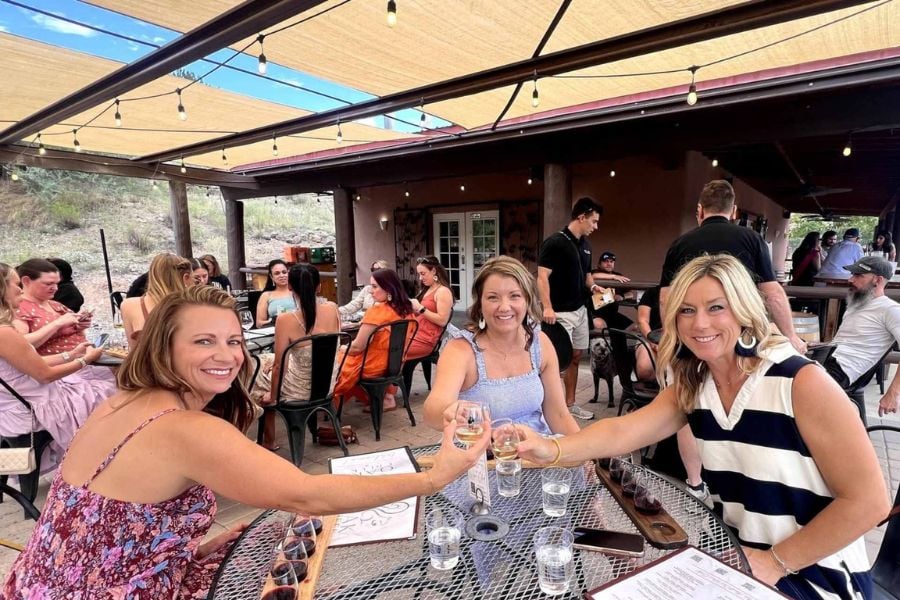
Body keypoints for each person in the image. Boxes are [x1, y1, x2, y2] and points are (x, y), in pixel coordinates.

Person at [2, 285, 489, 599]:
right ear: (162, 346)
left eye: (233, 341)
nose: (227, 355)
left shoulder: (120, 400)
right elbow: (308, 494)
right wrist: (435, 476)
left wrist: (192, 548)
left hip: (39, 584)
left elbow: (108, 527)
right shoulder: (184, 428)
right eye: (203, 341)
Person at [517, 254, 887, 599]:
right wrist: (552, 449)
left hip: (814, 575)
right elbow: (622, 431)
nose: (700, 324)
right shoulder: (696, 384)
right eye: (687, 310)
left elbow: (870, 501)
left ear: (743, 309)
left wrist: (774, 562)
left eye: (716, 308)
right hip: (740, 564)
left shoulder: (799, 382)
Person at [424, 256, 579, 436]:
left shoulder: (540, 342)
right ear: (480, 304)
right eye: (492, 297)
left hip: (538, 452)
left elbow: (559, 415)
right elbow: (431, 412)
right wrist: (450, 411)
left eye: (515, 296)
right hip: (482, 456)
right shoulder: (461, 349)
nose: (504, 307)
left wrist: (584, 452)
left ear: (527, 301)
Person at [660, 180, 806, 354]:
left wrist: (670, 338)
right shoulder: (752, 239)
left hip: (696, 335)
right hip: (741, 334)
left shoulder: (680, 244)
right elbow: (772, 294)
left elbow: (666, 298)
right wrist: (791, 336)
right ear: (734, 210)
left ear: (699, 210)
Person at [0, 263, 116, 466]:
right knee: (110, 394)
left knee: (104, 384)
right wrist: (85, 360)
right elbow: (44, 375)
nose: (19, 289)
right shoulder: (5, 332)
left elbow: (27, 362)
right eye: (16, 284)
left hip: (21, 399)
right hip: (29, 406)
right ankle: (101, 462)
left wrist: (70, 355)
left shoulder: (7, 330)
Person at [251, 264, 341, 450]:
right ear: (319, 286)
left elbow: (279, 366)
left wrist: (274, 396)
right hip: (327, 384)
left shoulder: (286, 320)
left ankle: (268, 440)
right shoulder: (332, 308)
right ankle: (269, 437)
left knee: (256, 369)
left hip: (300, 390)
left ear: (290, 287)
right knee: (266, 362)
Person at [537, 197, 607, 421]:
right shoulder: (555, 242)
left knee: (576, 356)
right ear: (581, 216)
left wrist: (595, 287)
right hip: (559, 313)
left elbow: (587, 277)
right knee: (555, 361)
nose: (596, 227)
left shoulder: (586, 246)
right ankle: (546, 406)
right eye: (594, 221)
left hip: (580, 311)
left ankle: (570, 404)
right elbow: (541, 277)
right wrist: (547, 307)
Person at [821, 256, 900, 417]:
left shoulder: (890, 309)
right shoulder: (857, 303)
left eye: (858, 275)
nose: (851, 279)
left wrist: (893, 393)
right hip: (830, 360)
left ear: (877, 280)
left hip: (843, 371)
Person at [333, 269, 415, 412]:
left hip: (372, 366)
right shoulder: (407, 309)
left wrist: (343, 348)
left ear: (388, 288)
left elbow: (358, 347)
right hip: (394, 365)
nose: (371, 291)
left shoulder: (377, 312)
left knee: (332, 365)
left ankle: (329, 406)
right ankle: (379, 398)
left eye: (375, 286)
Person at [14, 258, 91, 356]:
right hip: (60, 366)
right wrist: (57, 323)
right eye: (48, 283)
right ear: (26, 281)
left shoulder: (56, 305)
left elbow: (78, 335)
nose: (55, 288)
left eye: (57, 283)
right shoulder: (19, 307)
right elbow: (20, 345)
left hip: (85, 358)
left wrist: (79, 326)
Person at [120, 253, 192, 345]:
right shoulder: (192, 307)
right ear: (186, 278)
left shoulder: (128, 306)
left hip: (144, 359)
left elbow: (133, 350)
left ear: (152, 275)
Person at [407, 256, 454, 360]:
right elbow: (421, 314)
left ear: (433, 271)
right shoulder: (427, 289)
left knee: (390, 351)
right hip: (414, 334)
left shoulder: (443, 291)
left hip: (425, 340)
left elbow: (442, 321)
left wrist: (420, 308)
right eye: (419, 274)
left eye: (423, 274)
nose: (420, 278)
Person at [590, 251, 633, 331]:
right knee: (600, 325)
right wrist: (613, 277)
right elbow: (593, 276)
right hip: (594, 313)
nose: (609, 264)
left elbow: (631, 294)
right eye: (606, 261)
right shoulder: (595, 272)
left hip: (612, 314)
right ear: (599, 264)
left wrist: (622, 296)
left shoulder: (618, 276)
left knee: (635, 327)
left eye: (611, 261)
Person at [256, 259, 295, 327]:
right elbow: (259, 323)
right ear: (271, 277)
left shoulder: (298, 292)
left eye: (284, 272)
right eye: (277, 273)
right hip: (275, 330)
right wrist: (273, 321)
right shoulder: (266, 295)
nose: (282, 275)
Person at [634, 285, 661, 382]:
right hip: (649, 336)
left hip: (679, 338)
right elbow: (642, 320)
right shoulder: (651, 293)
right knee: (644, 370)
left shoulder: (689, 293)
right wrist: (652, 339)